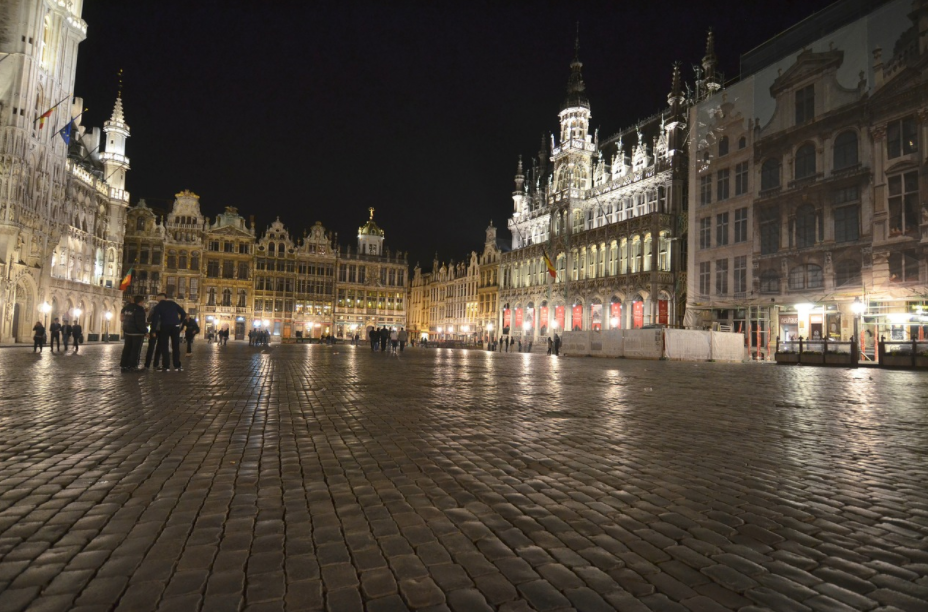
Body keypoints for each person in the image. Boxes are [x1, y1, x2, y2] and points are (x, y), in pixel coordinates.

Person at [150, 292, 186, 371]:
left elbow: (155, 319)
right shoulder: (173, 303)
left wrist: (153, 330)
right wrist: (179, 322)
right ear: (165, 298)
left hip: (165, 326)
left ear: (158, 299)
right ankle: (177, 366)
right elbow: (183, 313)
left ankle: (166, 366)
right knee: (175, 346)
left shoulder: (158, 306)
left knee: (164, 346)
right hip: (175, 326)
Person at [120, 296, 148, 372]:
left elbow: (122, 318)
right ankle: (133, 366)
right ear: (141, 302)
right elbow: (140, 322)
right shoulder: (139, 309)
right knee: (135, 350)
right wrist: (145, 331)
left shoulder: (127, 307)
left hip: (127, 331)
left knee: (127, 349)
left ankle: (124, 365)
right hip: (137, 333)